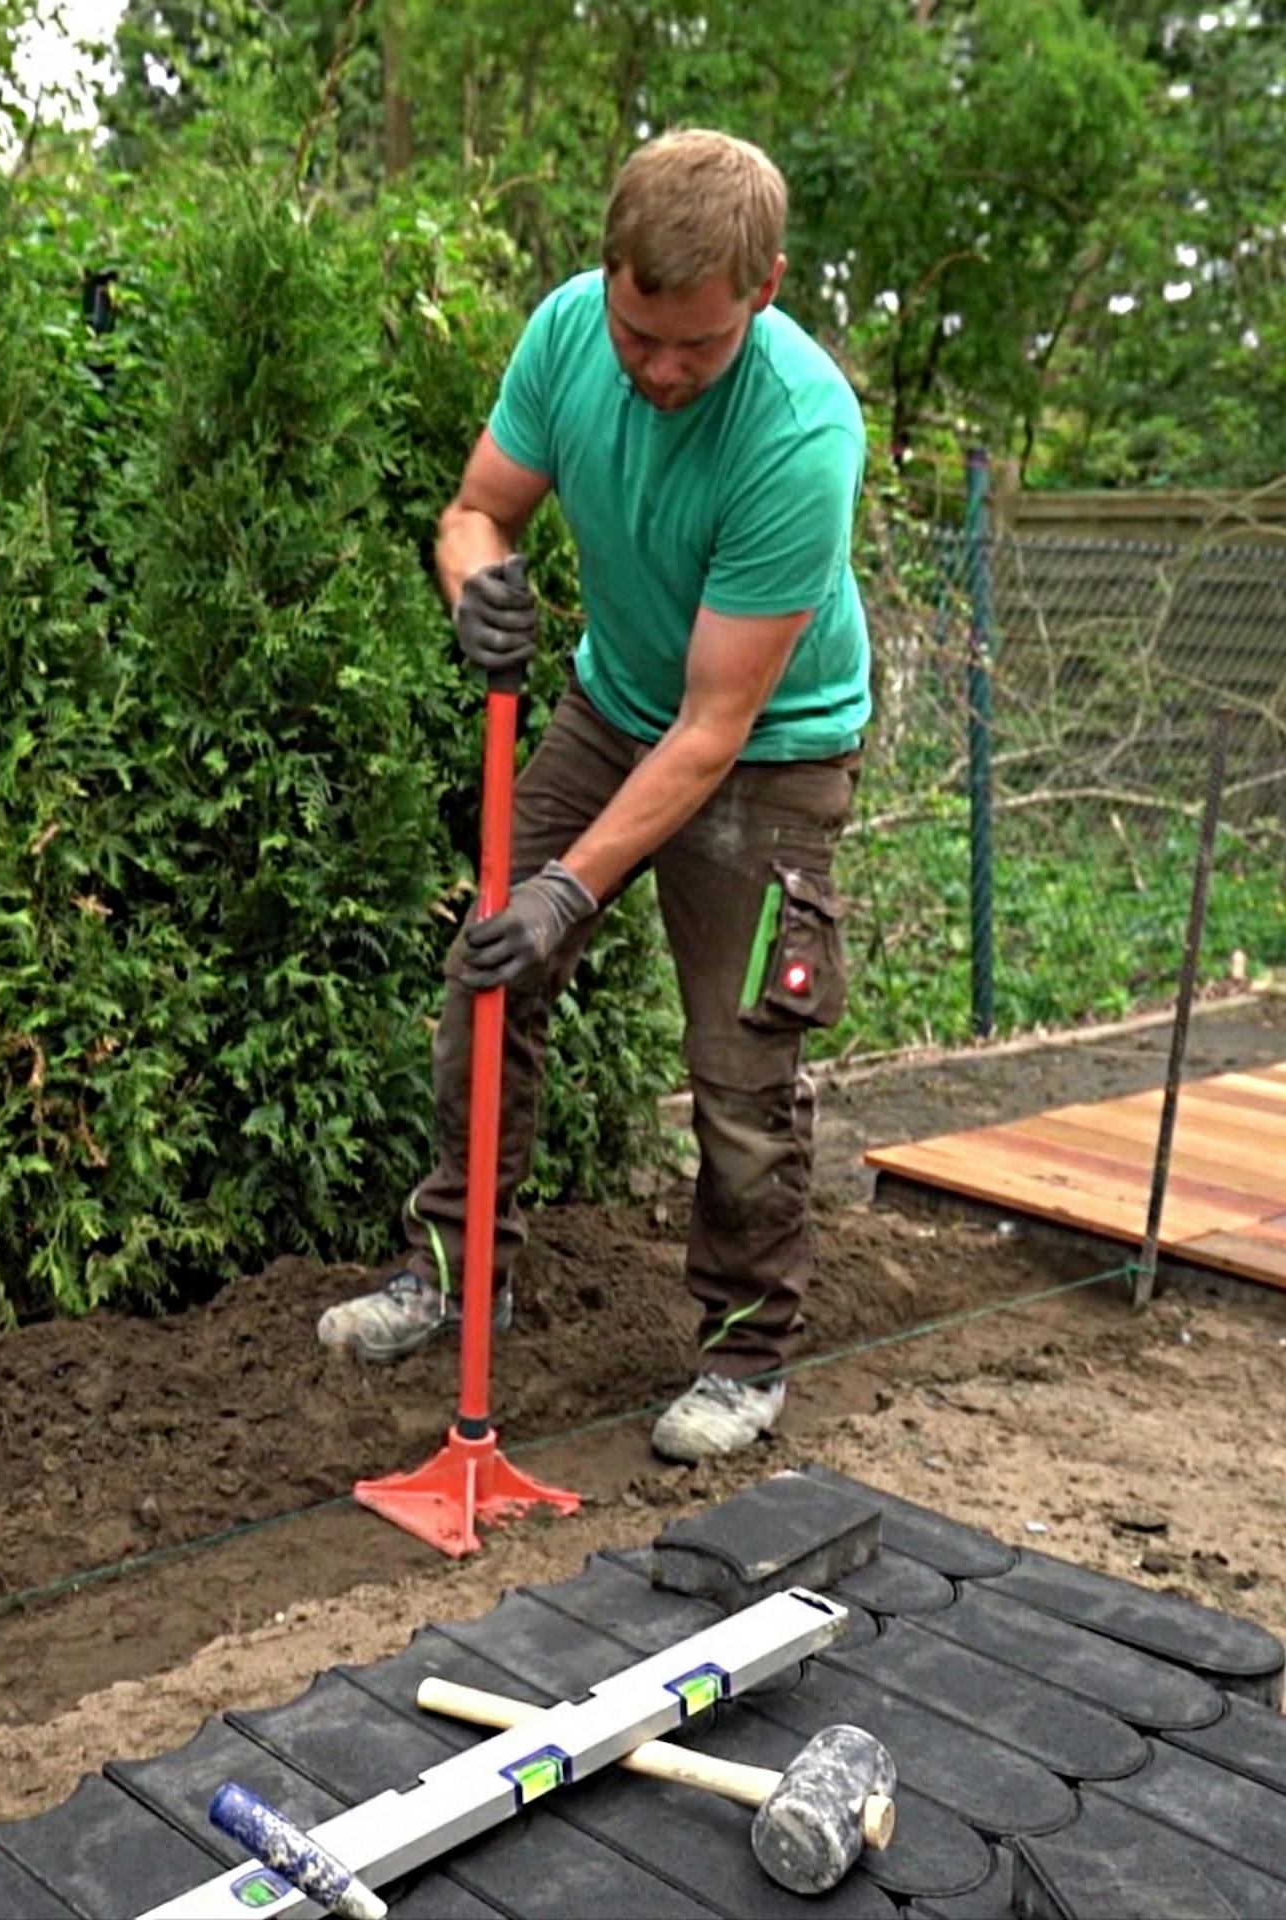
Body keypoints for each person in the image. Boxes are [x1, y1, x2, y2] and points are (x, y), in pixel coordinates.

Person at [317, 128, 871, 1463]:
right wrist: (473, 586)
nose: (661, 371)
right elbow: (475, 511)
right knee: (486, 973)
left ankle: (745, 1353)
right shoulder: (567, 334)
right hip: (612, 706)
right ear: (606, 276)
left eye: (698, 346)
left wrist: (570, 890)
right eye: (639, 336)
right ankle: (457, 1275)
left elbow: (715, 727)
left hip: (768, 749)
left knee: (739, 1059)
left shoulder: (802, 430)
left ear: (764, 292)